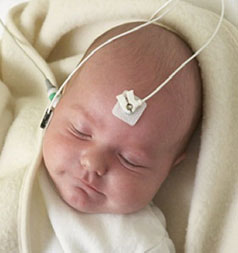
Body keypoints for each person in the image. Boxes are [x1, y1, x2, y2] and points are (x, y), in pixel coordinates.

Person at [42, 22, 202, 215]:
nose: (93, 164)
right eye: (80, 131)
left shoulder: (140, 241)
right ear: (57, 103)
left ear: (169, 168)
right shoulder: (16, 137)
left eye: (130, 160)